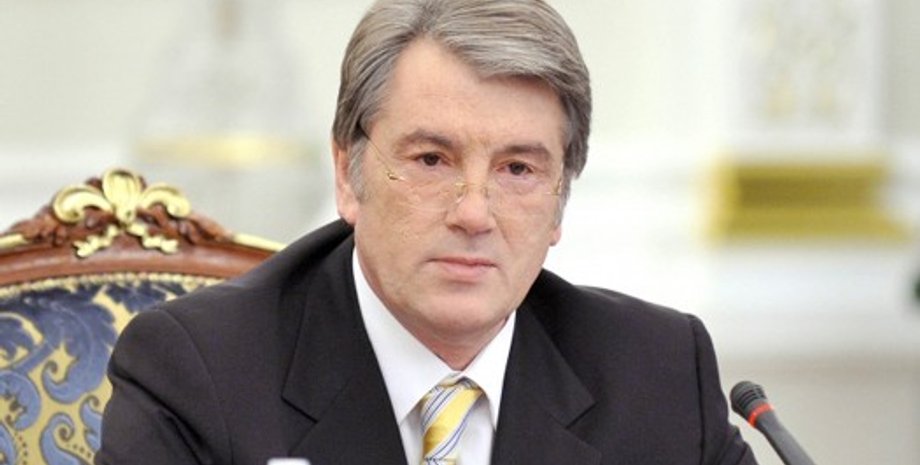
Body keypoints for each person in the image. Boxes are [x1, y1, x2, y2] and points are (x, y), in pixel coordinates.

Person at [97, 0, 758, 464]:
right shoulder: (201, 372)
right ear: (348, 174)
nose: (474, 213)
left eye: (518, 169)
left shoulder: (659, 375)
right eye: (432, 160)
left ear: (560, 201)